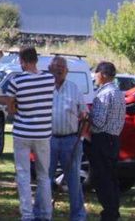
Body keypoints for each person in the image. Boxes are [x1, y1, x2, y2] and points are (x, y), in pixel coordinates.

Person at [3, 47, 56, 221]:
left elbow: (10, 108)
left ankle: (27, 214)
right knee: (44, 175)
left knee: (23, 174)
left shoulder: (17, 82)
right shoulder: (50, 79)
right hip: (43, 133)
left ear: (22, 61)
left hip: (22, 133)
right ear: (36, 60)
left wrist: (15, 107)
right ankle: (46, 214)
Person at [47, 56, 88, 221]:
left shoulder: (74, 89)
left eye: (62, 68)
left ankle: (78, 215)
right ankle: (42, 213)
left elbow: (84, 114)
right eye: (56, 67)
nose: (58, 70)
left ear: (66, 71)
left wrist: (82, 135)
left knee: (73, 181)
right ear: (50, 69)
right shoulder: (44, 88)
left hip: (71, 141)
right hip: (49, 139)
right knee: (45, 178)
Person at [87, 61, 126, 221]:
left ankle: (109, 213)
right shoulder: (118, 92)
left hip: (102, 139)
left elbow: (99, 121)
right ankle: (114, 211)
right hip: (114, 139)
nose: (95, 77)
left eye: (96, 73)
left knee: (102, 179)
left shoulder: (104, 94)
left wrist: (86, 116)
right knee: (111, 178)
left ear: (102, 74)